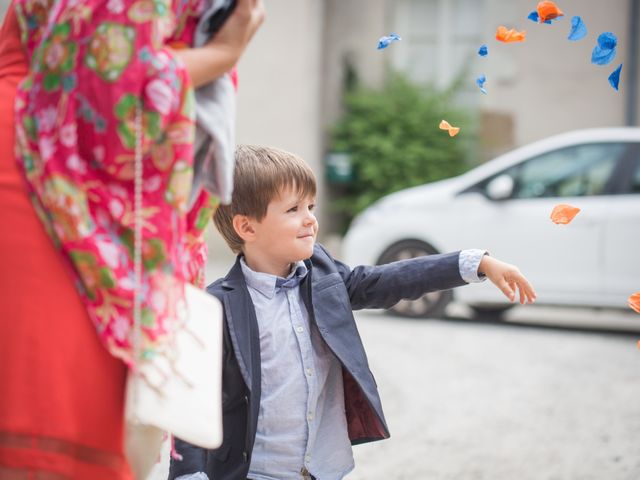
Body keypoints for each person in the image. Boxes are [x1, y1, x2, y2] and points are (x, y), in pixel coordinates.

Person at [0, 1, 264, 478]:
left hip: (90, 184)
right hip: (52, 181)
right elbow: (108, 76)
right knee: (51, 437)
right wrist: (223, 54)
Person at [169, 145, 537, 480]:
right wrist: (189, 475)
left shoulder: (324, 276)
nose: (310, 219)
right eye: (293, 210)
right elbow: (192, 399)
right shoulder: (217, 306)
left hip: (324, 469)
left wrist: (474, 264)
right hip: (256, 471)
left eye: (310, 207)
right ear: (247, 226)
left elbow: (386, 280)